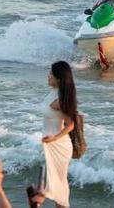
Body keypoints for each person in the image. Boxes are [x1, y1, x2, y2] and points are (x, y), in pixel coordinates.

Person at [41, 61, 77, 208]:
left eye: (51, 74)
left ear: (59, 79)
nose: (48, 75)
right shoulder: (53, 92)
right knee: (58, 187)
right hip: (51, 145)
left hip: (58, 146)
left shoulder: (60, 99)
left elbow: (71, 124)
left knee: (58, 188)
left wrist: (55, 138)